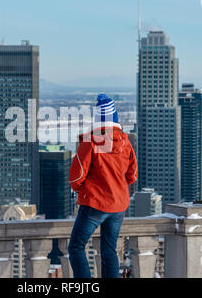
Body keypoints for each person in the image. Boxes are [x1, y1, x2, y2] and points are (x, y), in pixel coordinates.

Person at [68, 93, 138, 278]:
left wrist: (83, 189)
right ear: (114, 118)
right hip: (118, 206)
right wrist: (117, 185)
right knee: (109, 250)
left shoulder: (90, 141)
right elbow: (132, 175)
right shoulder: (125, 142)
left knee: (76, 247)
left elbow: (77, 176)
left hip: (95, 204)